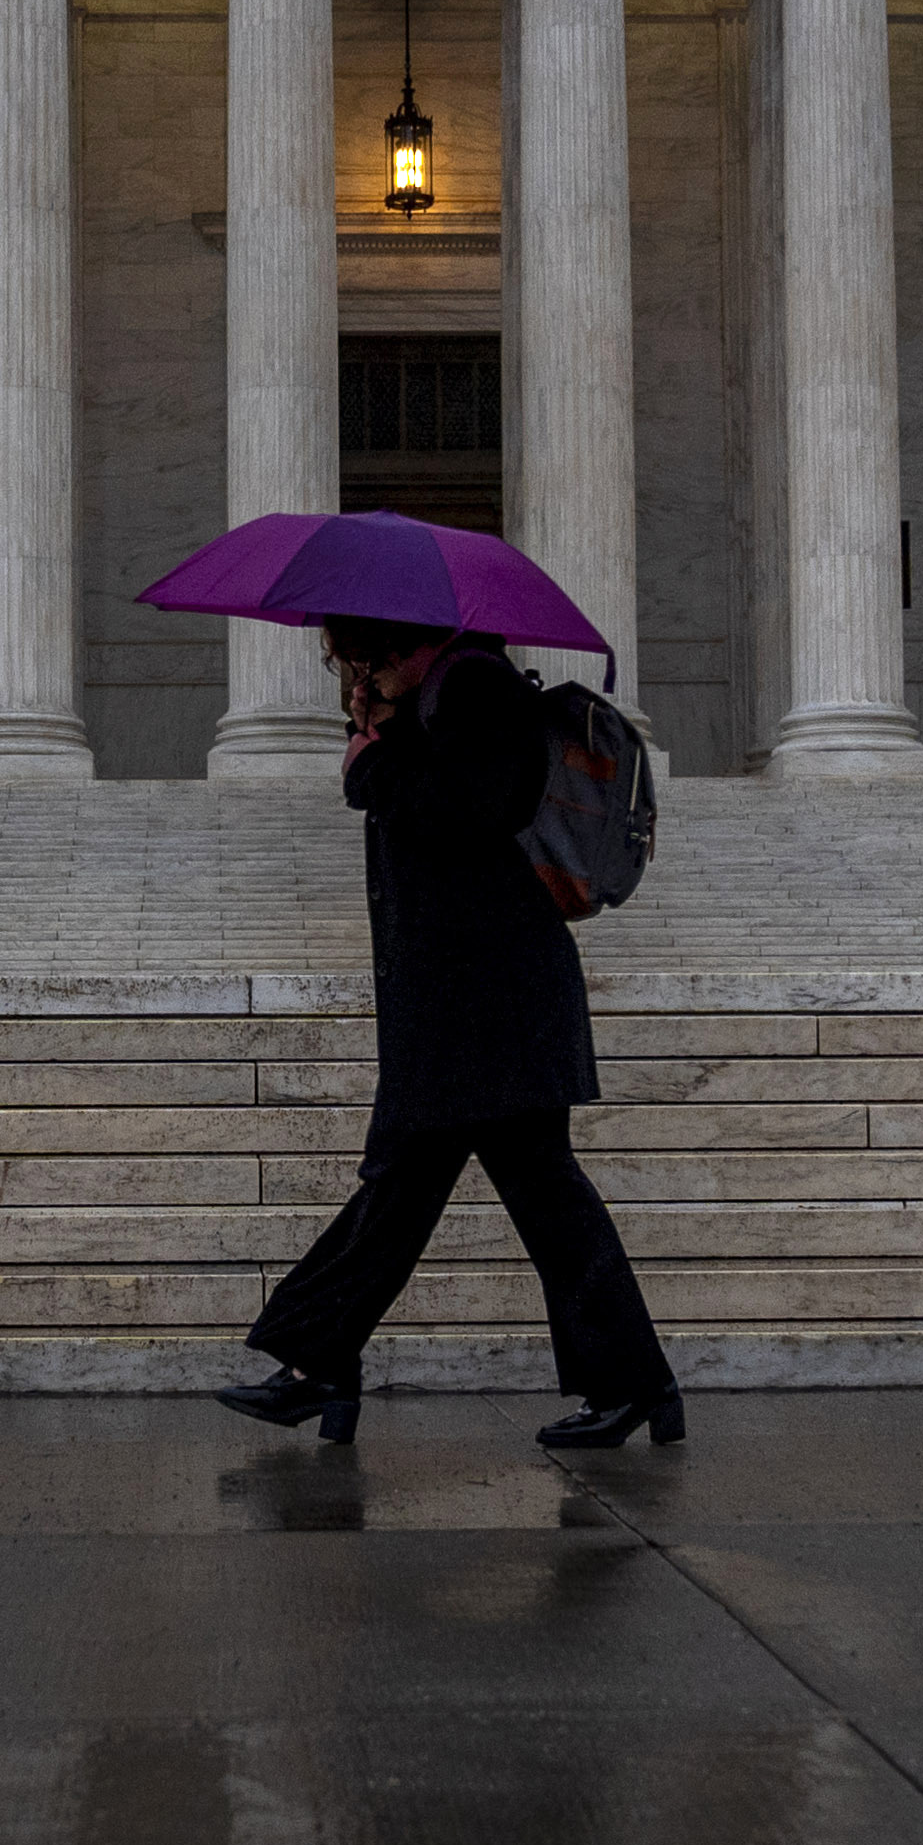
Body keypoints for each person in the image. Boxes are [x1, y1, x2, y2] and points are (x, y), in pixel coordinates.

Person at [220, 615, 684, 1449]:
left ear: (393, 642)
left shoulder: (476, 685)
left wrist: (373, 761)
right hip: (464, 1005)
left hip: (490, 1005)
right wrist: (383, 728)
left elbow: (474, 808)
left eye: (358, 657)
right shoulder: (441, 696)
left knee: (527, 1200)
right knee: (416, 1192)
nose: (354, 672)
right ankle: (319, 1364)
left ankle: (630, 1383)